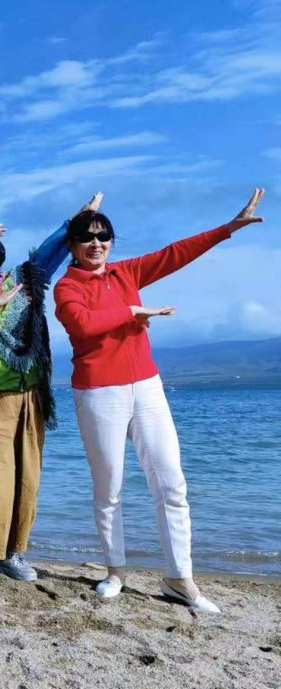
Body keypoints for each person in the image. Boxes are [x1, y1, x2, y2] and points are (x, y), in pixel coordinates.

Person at [54, 188, 265, 613]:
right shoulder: (66, 286)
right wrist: (133, 312)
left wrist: (228, 228)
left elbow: (174, 254)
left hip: (147, 386)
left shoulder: (127, 273)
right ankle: (116, 571)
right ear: (72, 246)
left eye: (103, 236)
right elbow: (82, 324)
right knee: (109, 487)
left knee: (171, 483)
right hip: (98, 391)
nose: (96, 243)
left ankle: (179, 578)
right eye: (87, 237)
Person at [0, 195, 101, 588]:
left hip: (28, 396)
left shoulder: (21, 284)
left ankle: (12, 552)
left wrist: (74, 222)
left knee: (26, 482)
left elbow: (47, 254)